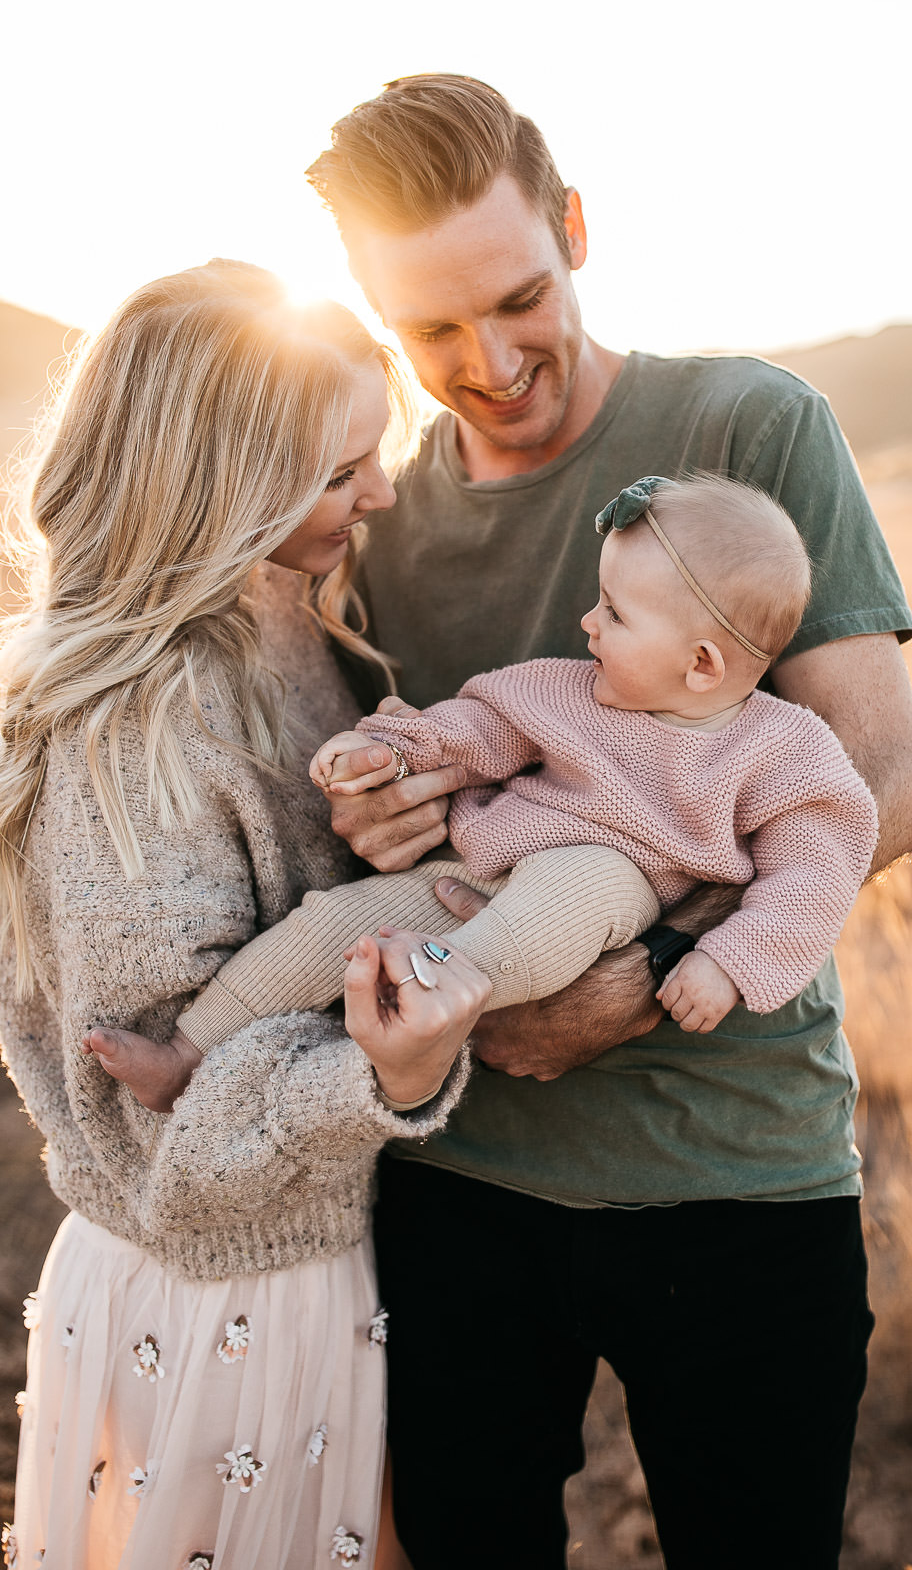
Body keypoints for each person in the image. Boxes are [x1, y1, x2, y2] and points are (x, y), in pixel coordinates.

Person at [295, 73, 912, 1569]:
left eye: (520, 297)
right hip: (453, 1177)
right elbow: (427, 785)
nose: (491, 359)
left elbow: (886, 793)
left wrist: (626, 987)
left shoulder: (749, 426)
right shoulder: (384, 511)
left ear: (576, 228)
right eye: (433, 331)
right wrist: (389, 816)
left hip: (734, 1169)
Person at [0, 262, 490, 1570]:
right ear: (221, 486)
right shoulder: (137, 723)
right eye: (341, 474)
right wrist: (392, 1071)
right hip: (218, 1302)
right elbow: (171, 1132)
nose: (381, 496)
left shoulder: (295, 621)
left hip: (316, 1264)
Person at [92, 472, 878, 1113]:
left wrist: (729, 962)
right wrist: (386, 752)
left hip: (615, 886)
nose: (587, 622)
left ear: (703, 665)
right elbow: (473, 729)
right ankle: (188, 1052)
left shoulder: (784, 750)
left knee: (574, 888)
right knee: (331, 924)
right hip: (482, 871)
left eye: (614, 612)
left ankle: (425, 996)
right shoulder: (563, 690)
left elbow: (817, 872)